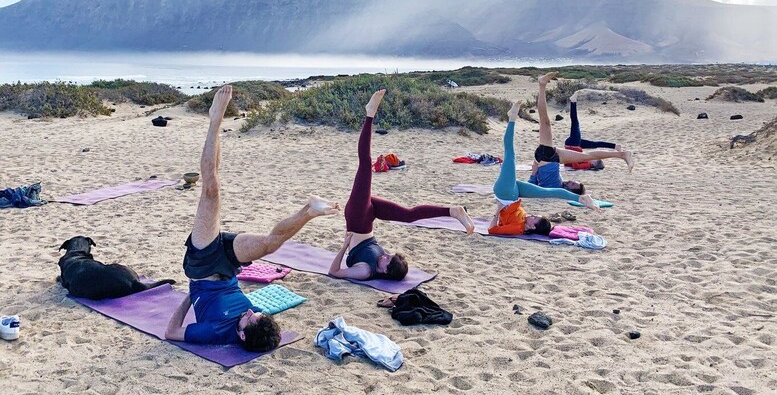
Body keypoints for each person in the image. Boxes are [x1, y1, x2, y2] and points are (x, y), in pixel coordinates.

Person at [165, 85, 339, 351]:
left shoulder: (215, 332)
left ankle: (215, 120)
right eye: (254, 313)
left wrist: (190, 295)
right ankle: (308, 211)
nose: (249, 312)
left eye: (248, 318)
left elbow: (171, 332)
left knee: (211, 189)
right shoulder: (257, 318)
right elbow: (256, 314)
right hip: (228, 265)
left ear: (242, 336)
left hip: (202, 268)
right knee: (269, 244)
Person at [329, 90, 475, 282]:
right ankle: (452, 211)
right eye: (390, 256)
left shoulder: (365, 271)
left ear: (384, 272)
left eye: (387, 261)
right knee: (408, 215)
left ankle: (370, 114)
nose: (385, 256)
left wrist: (344, 245)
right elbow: (381, 255)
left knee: (365, 163)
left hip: (357, 217)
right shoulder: (384, 261)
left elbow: (334, 272)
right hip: (368, 218)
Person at [490, 98, 599, 236]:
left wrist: (497, 210)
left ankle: (512, 118)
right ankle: (582, 199)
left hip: (505, 193)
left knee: (510, 153)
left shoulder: (518, 227)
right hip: (515, 196)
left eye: (535, 218)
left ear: (531, 228)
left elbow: (492, 230)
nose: (533, 215)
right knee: (548, 192)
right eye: (536, 216)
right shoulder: (525, 221)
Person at [530, 72, 634, 195]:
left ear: (569, 190)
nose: (571, 181)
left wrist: (535, 167)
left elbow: (532, 182)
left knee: (545, 121)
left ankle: (542, 85)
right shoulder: (560, 184)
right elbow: (533, 178)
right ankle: (621, 154)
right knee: (587, 153)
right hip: (548, 158)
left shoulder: (559, 191)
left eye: (573, 184)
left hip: (546, 158)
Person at [562, 90, 621, 170]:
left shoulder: (587, 164)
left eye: (595, 159)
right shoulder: (585, 159)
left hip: (573, 145)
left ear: (594, 164)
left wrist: (573, 158)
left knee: (575, 122)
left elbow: (575, 166)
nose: (594, 157)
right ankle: (615, 146)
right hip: (575, 145)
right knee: (594, 144)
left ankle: (573, 102)